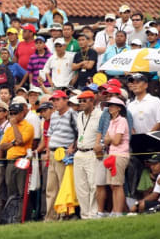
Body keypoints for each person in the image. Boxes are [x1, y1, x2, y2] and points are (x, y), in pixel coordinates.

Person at [45, 90, 77, 221]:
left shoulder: (72, 114)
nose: (55, 103)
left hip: (64, 152)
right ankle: (50, 217)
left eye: (58, 100)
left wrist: (73, 146)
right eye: (53, 100)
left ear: (65, 100)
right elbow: (50, 134)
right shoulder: (53, 115)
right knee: (51, 187)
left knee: (63, 186)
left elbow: (79, 132)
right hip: (53, 152)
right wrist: (47, 152)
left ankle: (64, 215)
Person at [0, 102, 34, 220]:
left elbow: (20, 141)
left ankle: (22, 217)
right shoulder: (8, 129)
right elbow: (2, 146)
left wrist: (14, 126)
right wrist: (13, 143)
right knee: (11, 190)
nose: (12, 116)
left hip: (22, 160)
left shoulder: (28, 126)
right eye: (11, 113)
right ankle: (12, 216)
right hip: (10, 161)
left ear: (22, 113)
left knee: (22, 191)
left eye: (15, 113)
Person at [74, 91, 102, 219]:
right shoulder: (79, 115)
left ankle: (93, 213)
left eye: (84, 101)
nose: (81, 103)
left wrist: (100, 148)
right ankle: (84, 215)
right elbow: (80, 133)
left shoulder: (100, 115)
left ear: (92, 100)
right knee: (80, 187)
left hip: (92, 152)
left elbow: (103, 133)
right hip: (79, 152)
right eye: (80, 101)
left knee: (93, 184)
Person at [103, 97, 129, 217]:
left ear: (119, 108)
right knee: (113, 185)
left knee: (117, 185)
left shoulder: (122, 120)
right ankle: (116, 211)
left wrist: (109, 139)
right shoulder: (112, 121)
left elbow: (116, 140)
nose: (110, 107)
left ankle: (118, 212)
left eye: (113, 105)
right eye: (109, 105)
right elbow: (106, 140)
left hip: (120, 155)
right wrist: (109, 139)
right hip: (112, 154)